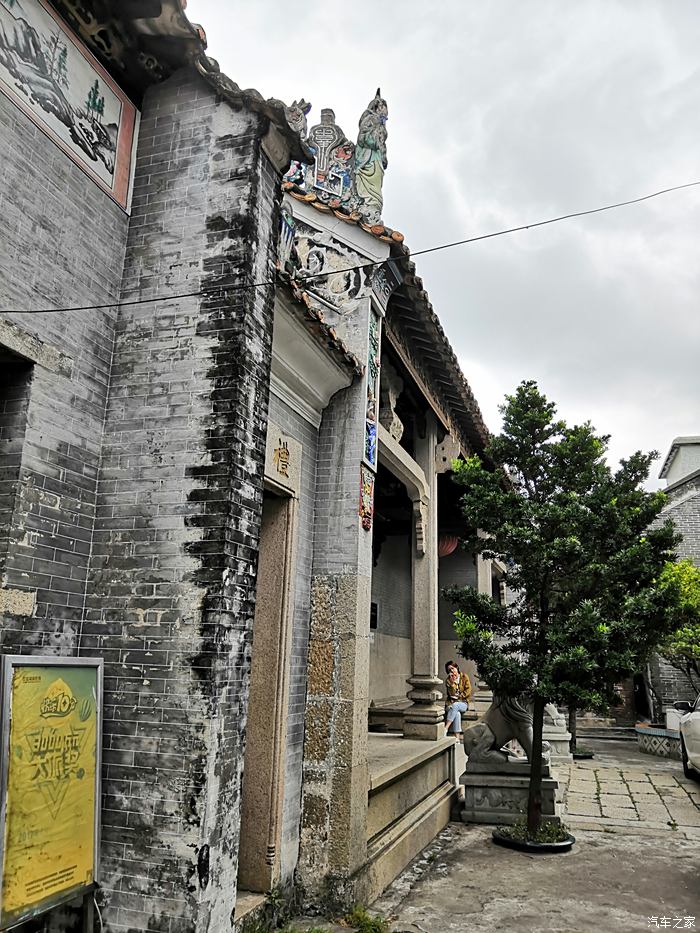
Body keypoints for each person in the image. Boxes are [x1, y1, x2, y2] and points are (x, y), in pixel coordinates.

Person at [444, 660, 472, 738]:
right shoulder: (448, 681)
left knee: (456, 705)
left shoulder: (464, 677)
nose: (452, 671)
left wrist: (460, 697)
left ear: (457, 667)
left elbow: (468, 690)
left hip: (463, 703)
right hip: (451, 704)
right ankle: (457, 738)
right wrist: (452, 684)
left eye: (453, 668)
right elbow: (451, 694)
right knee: (457, 714)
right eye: (449, 670)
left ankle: (445, 728)